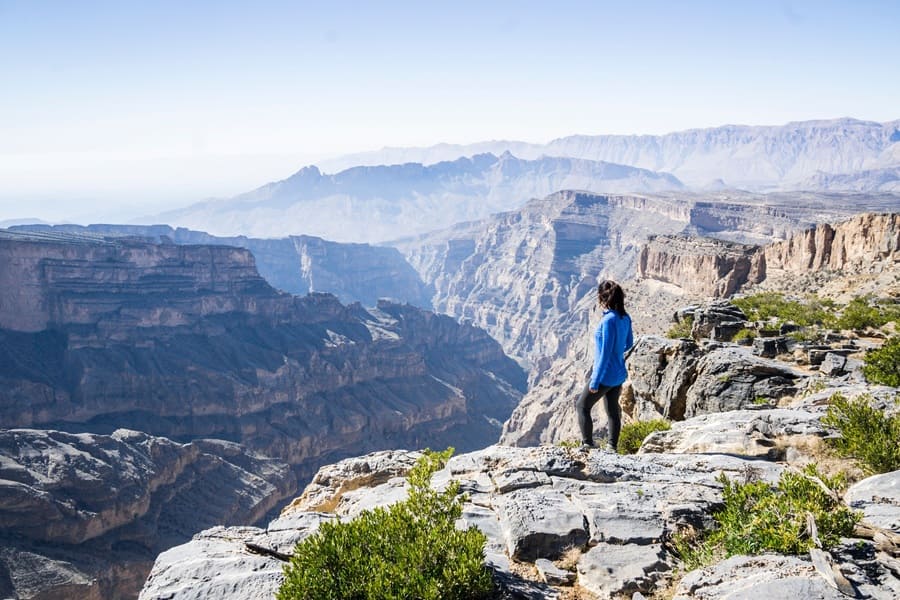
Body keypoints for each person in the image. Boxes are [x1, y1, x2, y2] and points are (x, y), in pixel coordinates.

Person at [575, 279, 634, 451]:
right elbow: (629, 343)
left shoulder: (608, 321)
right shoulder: (625, 317)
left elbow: (605, 354)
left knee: (582, 405)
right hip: (619, 374)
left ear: (603, 297)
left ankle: (587, 444)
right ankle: (611, 447)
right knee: (613, 411)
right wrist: (618, 351)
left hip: (605, 375)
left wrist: (595, 381)